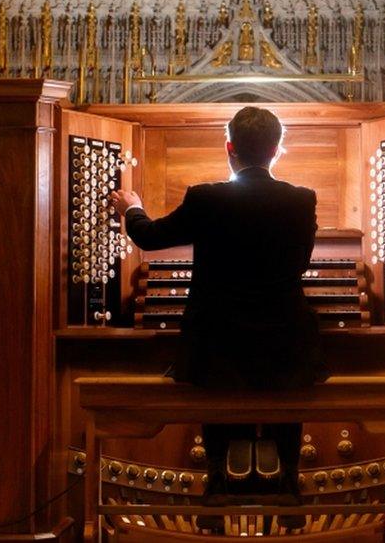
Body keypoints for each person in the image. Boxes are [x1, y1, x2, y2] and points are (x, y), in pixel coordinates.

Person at [110, 107, 327, 530]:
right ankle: (287, 485)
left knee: (220, 375)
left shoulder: (206, 198)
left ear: (229, 148)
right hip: (286, 342)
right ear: (277, 150)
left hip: (218, 344)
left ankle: (217, 485)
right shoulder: (302, 199)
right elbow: (298, 263)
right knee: (281, 382)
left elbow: (150, 238)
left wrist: (132, 207)